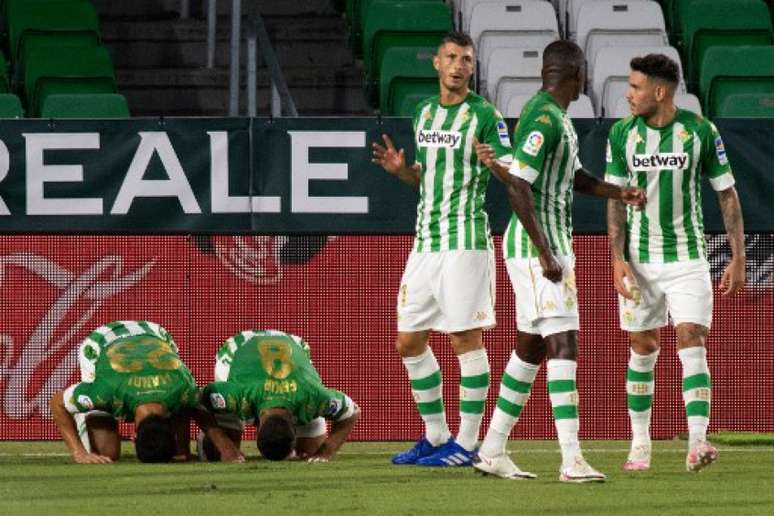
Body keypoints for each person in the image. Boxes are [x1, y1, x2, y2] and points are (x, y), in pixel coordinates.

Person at [473, 40, 646, 482]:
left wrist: (618, 192)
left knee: (529, 347)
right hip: (538, 249)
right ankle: (571, 459)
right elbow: (517, 186)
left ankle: (492, 449)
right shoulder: (546, 119)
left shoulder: (557, 121)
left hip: (547, 245)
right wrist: (545, 252)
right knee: (564, 342)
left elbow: (577, 179)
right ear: (578, 74)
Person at [371, 31, 514, 467]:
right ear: (436, 63)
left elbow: (513, 173)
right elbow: (426, 175)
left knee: (464, 339)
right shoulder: (425, 112)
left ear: (473, 67)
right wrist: (404, 172)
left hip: (465, 242)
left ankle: (468, 445)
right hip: (425, 243)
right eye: (451, 57)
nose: (458, 66)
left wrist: (496, 165)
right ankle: (436, 435)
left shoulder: (485, 115)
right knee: (408, 341)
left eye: (466, 60)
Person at [605, 54, 745, 472]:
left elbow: (727, 194)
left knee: (691, 338)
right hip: (640, 260)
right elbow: (614, 199)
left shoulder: (700, 132)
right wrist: (616, 259)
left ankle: (697, 443)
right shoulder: (621, 135)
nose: (629, 95)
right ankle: (640, 442)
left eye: (635, 87)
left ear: (660, 92)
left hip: (687, 258)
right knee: (643, 346)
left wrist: (738, 257)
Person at [49, 320, 243, 464]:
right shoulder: (104, 391)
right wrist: (79, 453)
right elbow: (57, 403)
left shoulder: (182, 388)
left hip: (154, 334)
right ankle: (89, 413)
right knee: (107, 453)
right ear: (133, 437)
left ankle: (180, 448)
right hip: (102, 341)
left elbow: (197, 407)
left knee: (181, 443)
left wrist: (224, 446)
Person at [199, 330, 360, 462]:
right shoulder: (236, 395)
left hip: (292, 345)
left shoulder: (313, 397)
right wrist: (225, 446)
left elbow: (353, 412)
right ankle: (220, 430)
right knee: (215, 454)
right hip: (238, 349)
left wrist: (324, 453)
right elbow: (196, 401)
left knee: (309, 452)